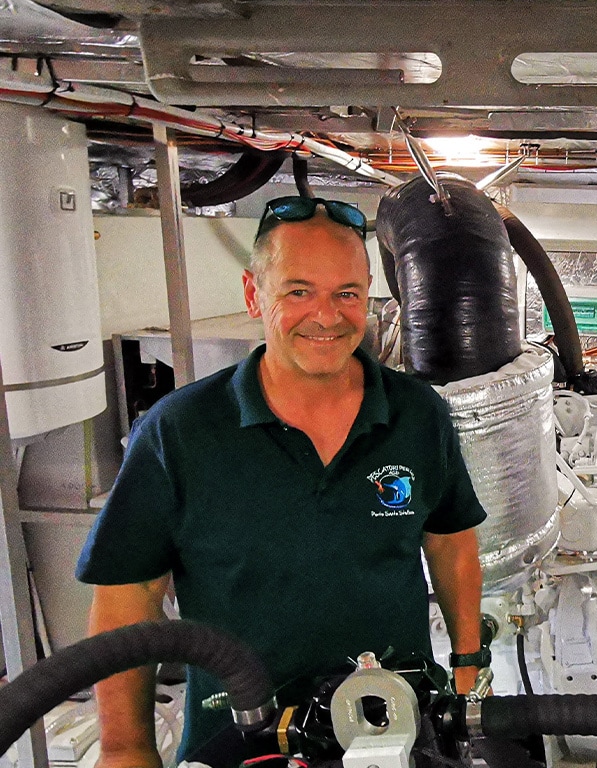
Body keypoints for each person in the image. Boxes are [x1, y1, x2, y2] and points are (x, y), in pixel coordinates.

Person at [76, 196, 487, 767]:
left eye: (347, 293)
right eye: (299, 291)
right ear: (253, 294)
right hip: (240, 737)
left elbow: (450, 539)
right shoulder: (180, 430)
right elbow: (129, 594)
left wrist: (466, 664)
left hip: (393, 724)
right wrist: (126, 747)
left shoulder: (417, 415)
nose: (327, 315)